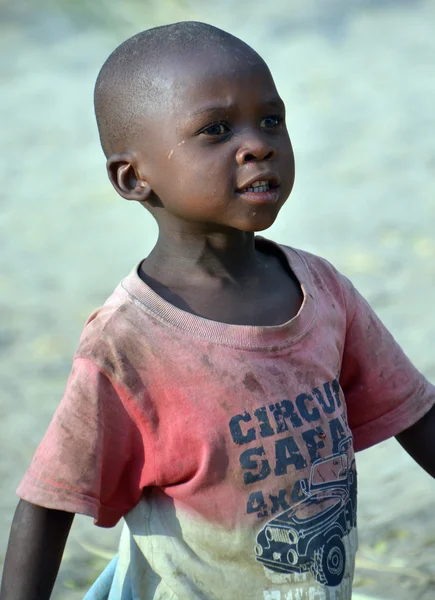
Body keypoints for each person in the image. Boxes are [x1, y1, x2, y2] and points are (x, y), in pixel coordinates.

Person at [1, 20, 434, 600]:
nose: (258, 144)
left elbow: (415, 416)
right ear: (134, 179)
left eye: (272, 120)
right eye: (217, 129)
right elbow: (50, 499)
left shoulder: (321, 291)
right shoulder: (130, 342)